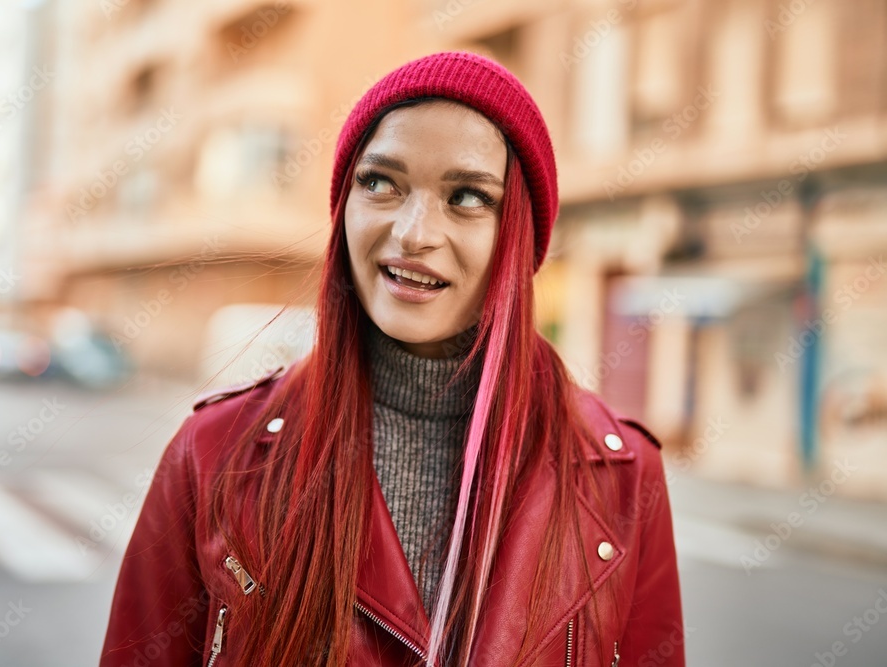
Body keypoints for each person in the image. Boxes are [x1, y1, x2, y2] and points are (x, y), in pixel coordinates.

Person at [99, 51, 685, 667]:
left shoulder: (622, 476)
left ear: (518, 237)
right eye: (380, 183)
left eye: (466, 196)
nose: (412, 233)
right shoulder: (213, 453)